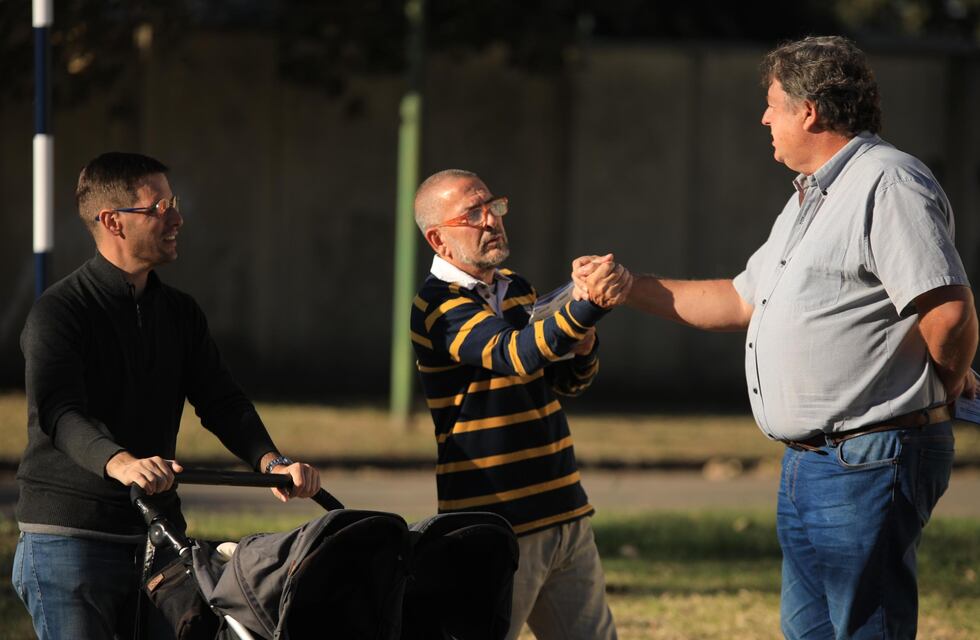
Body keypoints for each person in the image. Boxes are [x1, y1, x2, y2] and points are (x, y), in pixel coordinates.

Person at [575, 36, 978, 639]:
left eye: (772, 105)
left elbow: (947, 311)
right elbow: (742, 299)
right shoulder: (812, 197)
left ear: (809, 111)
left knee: (868, 628)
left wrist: (942, 391)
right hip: (811, 463)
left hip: (870, 456)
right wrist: (629, 286)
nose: (764, 118)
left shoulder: (887, 183)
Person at [12, 152, 322, 639]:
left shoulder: (179, 313)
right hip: (70, 540)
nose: (176, 218)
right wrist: (121, 462)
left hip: (158, 538)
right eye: (158, 208)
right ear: (113, 221)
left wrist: (270, 460)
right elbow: (60, 411)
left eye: (173, 203)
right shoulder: (60, 312)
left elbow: (222, 401)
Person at [410, 169, 629, 640]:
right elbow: (514, 354)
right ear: (439, 239)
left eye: (493, 205)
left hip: (564, 510)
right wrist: (587, 304)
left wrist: (584, 341)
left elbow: (565, 382)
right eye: (473, 213)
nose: (492, 220)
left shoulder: (518, 287)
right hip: (494, 523)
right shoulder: (437, 307)